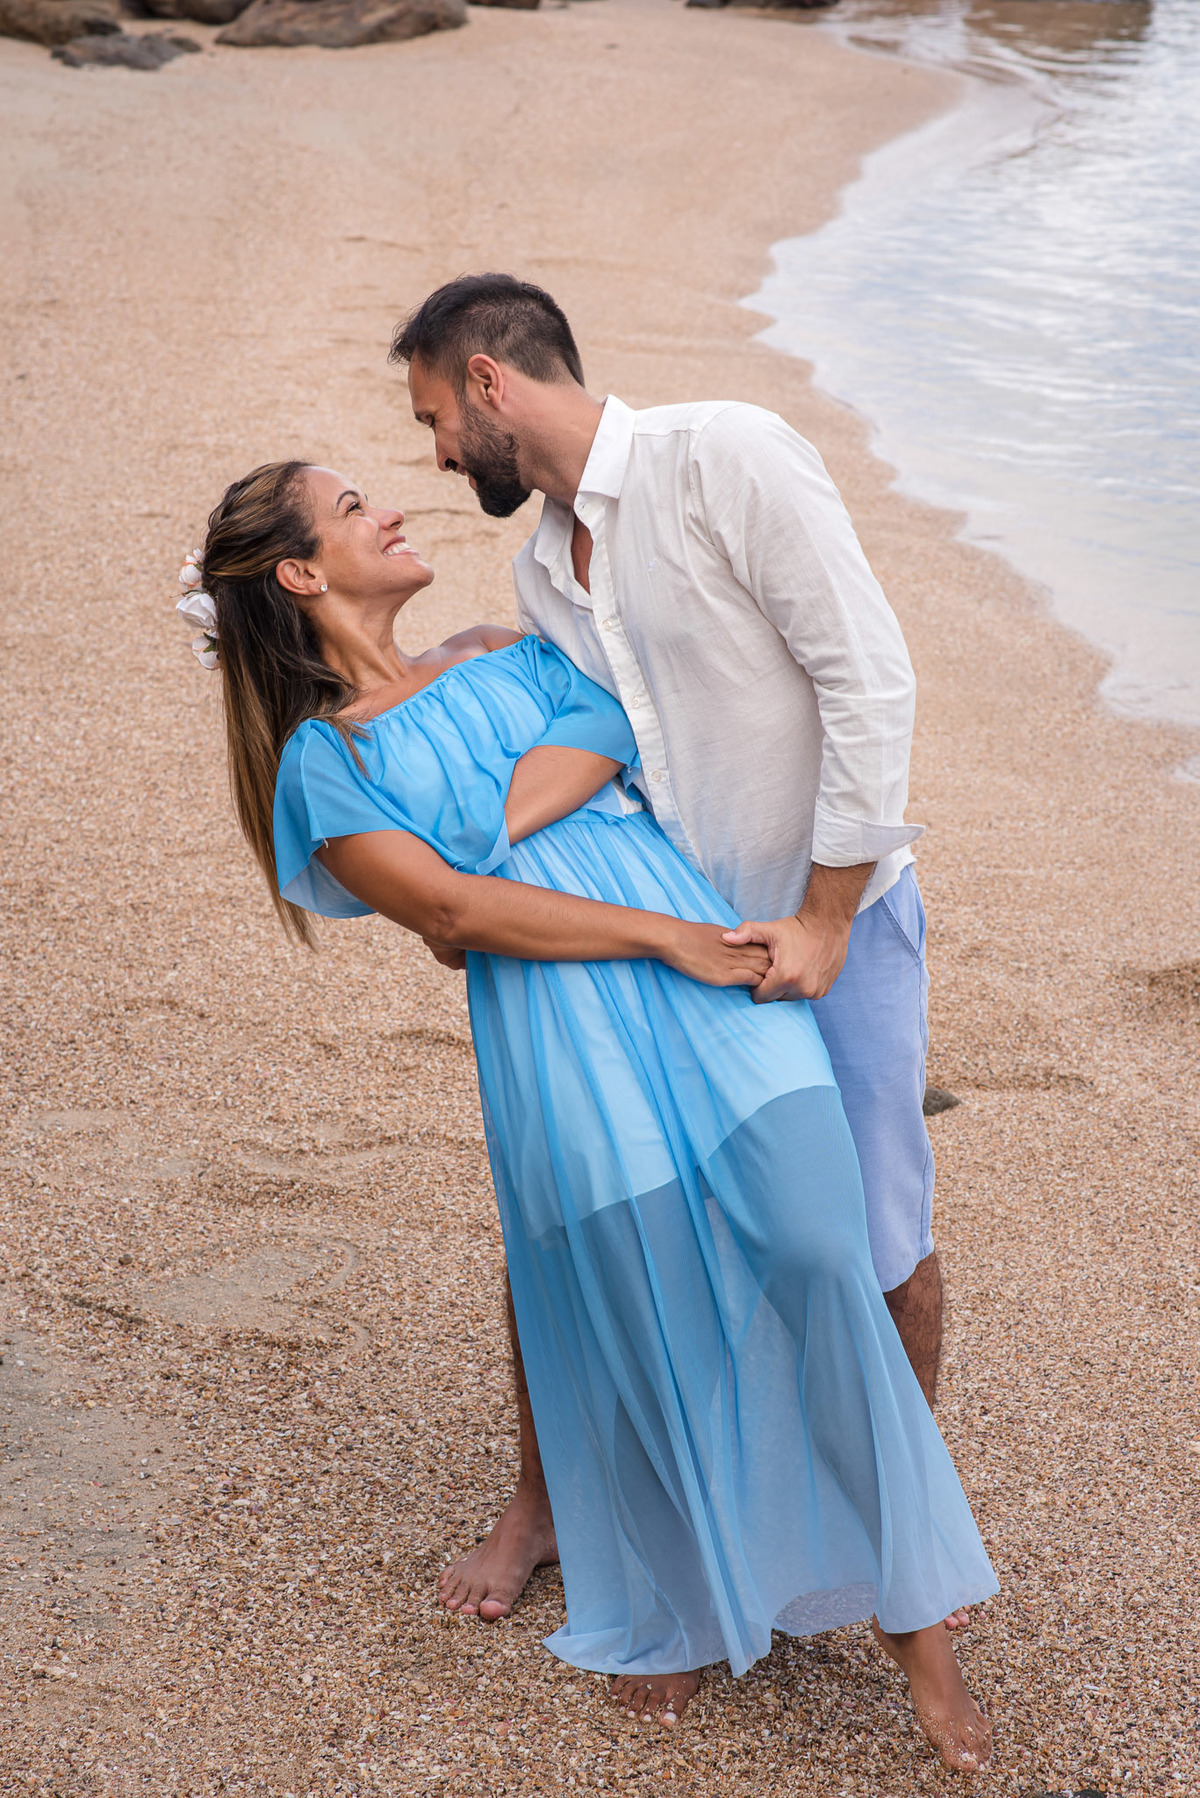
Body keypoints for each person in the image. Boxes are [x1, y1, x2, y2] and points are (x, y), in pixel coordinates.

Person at [182, 458, 996, 1769]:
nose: (389, 507)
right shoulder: (320, 773)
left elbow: (600, 745)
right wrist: (649, 933)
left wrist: (476, 833)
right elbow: (449, 915)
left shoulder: (509, 646)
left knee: (817, 1249)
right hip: (575, 1028)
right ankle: (676, 1596)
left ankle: (918, 1617)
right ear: (300, 572)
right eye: (349, 509)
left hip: (718, 987)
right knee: (645, 1298)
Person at [390, 275, 955, 1646]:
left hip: (836, 925)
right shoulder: (539, 566)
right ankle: (662, 1544)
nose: (438, 456)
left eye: (432, 420)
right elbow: (595, 744)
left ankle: (899, 1555)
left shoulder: (728, 455)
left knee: (874, 1238)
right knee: (613, 1223)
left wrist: (822, 918)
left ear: (486, 380)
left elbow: (867, 679)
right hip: (675, 952)